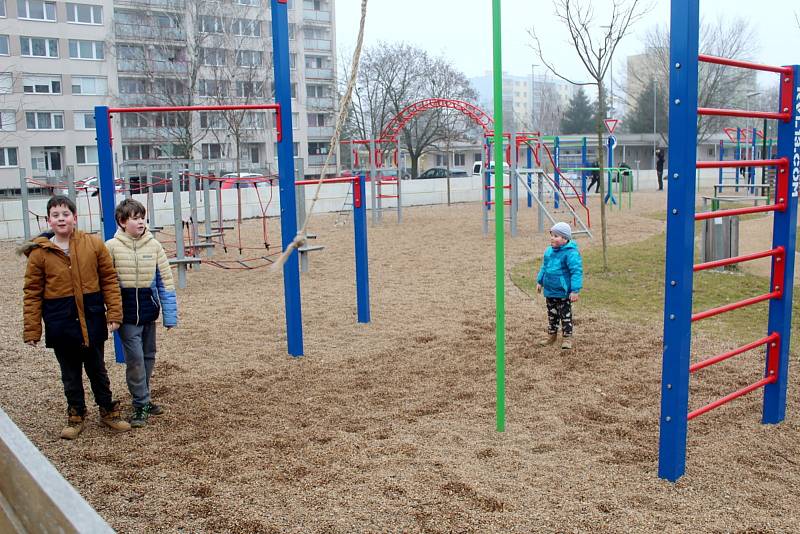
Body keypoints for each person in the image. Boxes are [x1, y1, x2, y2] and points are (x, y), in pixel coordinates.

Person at [21, 195, 131, 439]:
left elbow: (109, 280)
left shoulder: (93, 244)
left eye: (65, 214)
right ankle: (76, 413)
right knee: (69, 372)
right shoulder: (40, 254)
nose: (61, 219)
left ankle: (107, 409)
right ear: (49, 220)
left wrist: (114, 312)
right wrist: (32, 329)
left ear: (75, 218)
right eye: (56, 215)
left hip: (91, 317)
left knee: (97, 368)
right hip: (60, 320)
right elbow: (32, 293)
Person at [105, 199, 177, 428]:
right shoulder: (111, 247)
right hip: (126, 316)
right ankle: (140, 403)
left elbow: (165, 280)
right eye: (135, 218)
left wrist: (170, 315)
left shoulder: (153, 245)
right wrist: (112, 315)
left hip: (148, 312)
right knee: (134, 359)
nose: (140, 222)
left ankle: (144, 397)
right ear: (122, 222)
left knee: (148, 356)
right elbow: (106, 283)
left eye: (142, 217)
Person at [536, 222, 583, 350]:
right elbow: (544, 267)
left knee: (565, 316)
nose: (552, 238)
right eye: (552, 235)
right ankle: (551, 335)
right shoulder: (549, 251)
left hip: (563, 292)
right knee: (552, 315)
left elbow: (576, 271)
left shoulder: (571, 253)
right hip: (550, 291)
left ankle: (567, 337)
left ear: (565, 238)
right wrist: (540, 281)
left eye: (556, 236)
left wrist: (575, 290)